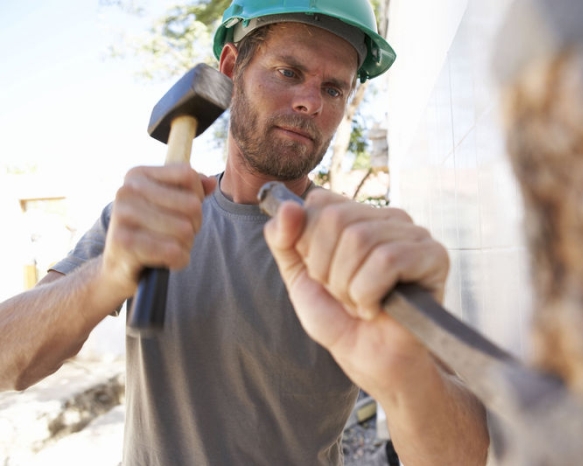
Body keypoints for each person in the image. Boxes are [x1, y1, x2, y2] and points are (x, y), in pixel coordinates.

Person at [0, 0, 489, 464]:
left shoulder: (352, 248)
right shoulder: (143, 221)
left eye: (334, 89)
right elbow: (8, 362)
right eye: (289, 72)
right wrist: (106, 276)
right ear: (231, 67)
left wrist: (405, 373)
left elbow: (465, 458)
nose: (311, 103)